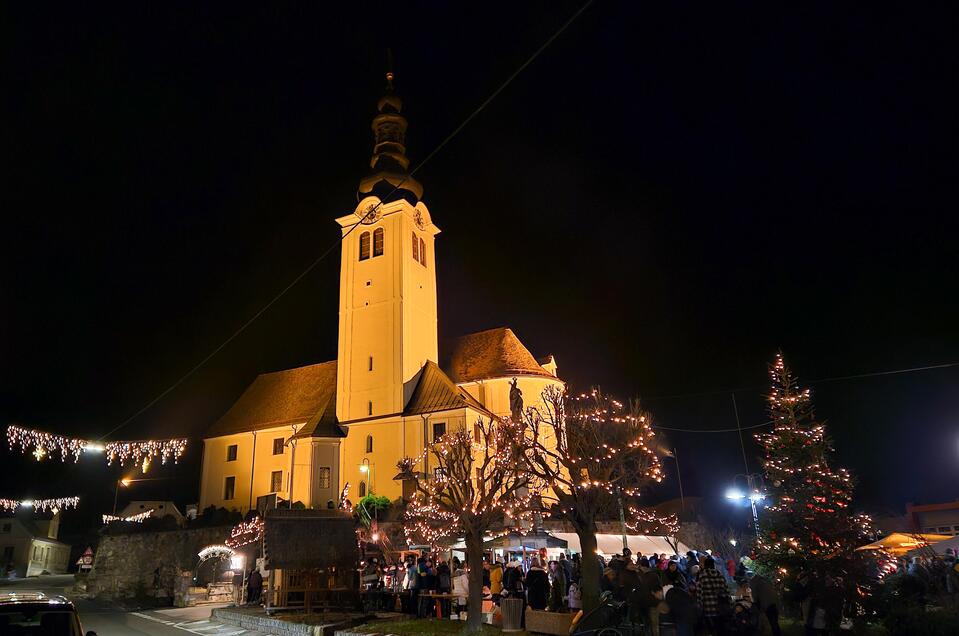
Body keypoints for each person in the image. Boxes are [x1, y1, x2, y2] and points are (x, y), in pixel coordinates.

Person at [696, 557, 730, 635]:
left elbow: (699, 593)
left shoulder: (702, 576)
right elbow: (726, 591)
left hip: (708, 608)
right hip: (720, 607)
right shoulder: (720, 575)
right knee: (721, 629)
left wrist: (699, 606)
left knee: (711, 630)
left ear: (705, 565)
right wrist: (729, 604)